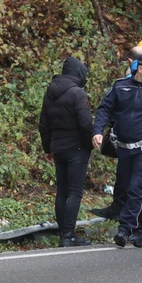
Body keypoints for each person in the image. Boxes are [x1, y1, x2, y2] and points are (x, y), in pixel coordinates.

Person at [92, 52, 142, 248]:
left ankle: (125, 229)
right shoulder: (121, 86)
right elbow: (105, 109)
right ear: (141, 68)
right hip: (124, 148)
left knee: (136, 188)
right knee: (132, 189)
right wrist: (97, 132)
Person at [39, 57, 95, 247]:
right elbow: (86, 123)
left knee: (62, 191)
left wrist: (48, 148)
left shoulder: (50, 92)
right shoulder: (78, 93)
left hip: (58, 148)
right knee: (75, 192)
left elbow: (43, 124)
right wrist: (90, 143)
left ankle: (64, 233)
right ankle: (68, 235)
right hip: (77, 148)